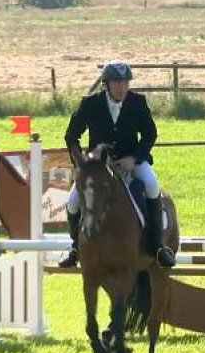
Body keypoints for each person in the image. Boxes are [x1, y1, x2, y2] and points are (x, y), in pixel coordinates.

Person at [58, 60, 176, 269]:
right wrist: (82, 164)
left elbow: (150, 134)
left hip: (130, 161)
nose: (122, 87)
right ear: (106, 84)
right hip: (98, 166)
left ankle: (157, 246)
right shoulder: (90, 104)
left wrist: (134, 158)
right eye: (117, 83)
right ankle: (75, 247)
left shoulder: (137, 102)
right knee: (73, 200)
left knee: (151, 185)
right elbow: (71, 136)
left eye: (125, 82)